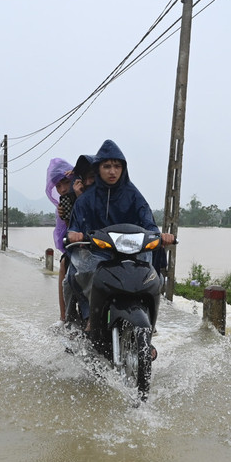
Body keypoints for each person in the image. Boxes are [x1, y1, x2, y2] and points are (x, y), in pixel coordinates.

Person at [65, 140, 175, 331]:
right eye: (107, 166)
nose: (112, 171)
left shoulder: (133, 194)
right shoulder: (85, 200)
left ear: (123, 168)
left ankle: (150, 323)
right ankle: (91, 314)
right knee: (78, 272)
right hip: (98, 253)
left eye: (117, 166)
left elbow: (148, 222)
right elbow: (74, 226)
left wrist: (160, 235)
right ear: (98, 168)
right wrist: (74, 234)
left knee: (150, 273)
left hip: (131, 253)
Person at [43, 157, 75, 321]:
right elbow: (64, 236)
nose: (63, 189)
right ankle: (64, 317)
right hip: (79, 247)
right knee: (63, 264)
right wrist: (65, 219)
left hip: (103, 244)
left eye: (66, 182)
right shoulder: (63, 207)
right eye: (58, 186)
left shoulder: (91, 193)